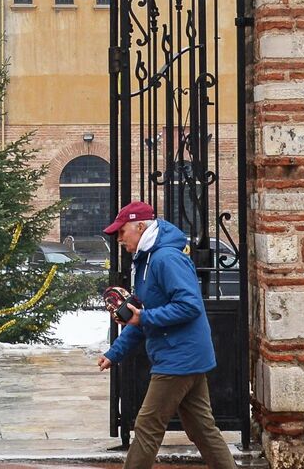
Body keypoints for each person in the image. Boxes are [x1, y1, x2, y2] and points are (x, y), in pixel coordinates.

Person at [97, 201, 235, 469]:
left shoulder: (165, 258)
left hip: (178, 357)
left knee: (148, 426)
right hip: (186, 354)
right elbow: (140, 313)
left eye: (121, 231)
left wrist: (144, 317)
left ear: (140, 226)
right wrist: (115, 353)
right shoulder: (147, 260)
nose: (119, 238)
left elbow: (190, 306)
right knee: (202, 431)